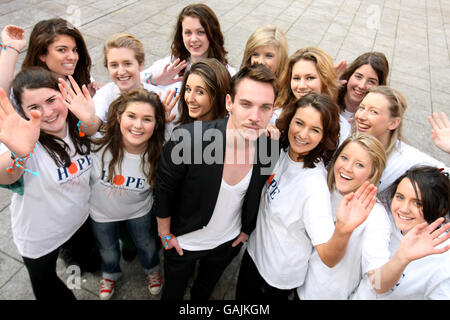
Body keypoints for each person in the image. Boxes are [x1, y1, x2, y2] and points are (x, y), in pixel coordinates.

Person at [154, 64, 279, 300]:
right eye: (246, 104)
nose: (255, 117)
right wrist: (164, 234)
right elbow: (164, 190)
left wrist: (245, 231)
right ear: (229, 102)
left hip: (227, 244)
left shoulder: (269, 146)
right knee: (173, 293)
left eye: (265, 107)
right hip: (184, 242)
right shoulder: (189, 140)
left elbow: (258, 191)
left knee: (203, 291)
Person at [235, 94, 378, 300]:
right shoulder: (282, 150)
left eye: (315, 129)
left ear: (324, 136)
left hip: (275, 277)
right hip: (254, 254)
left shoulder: (314, 186)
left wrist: (343, 230)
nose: (302, 134)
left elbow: (328, 257)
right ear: (290, 120)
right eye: (299, 123)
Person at [58, 81, 166, 299]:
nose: (138, 125)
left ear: (156, 124)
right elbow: (77, 133)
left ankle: (152, 270)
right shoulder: (99, 143)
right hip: (100, 215)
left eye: (147, 119)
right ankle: (111, 273)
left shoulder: (158, 153)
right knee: (107, 249)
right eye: (131, 116)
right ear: (118, 117)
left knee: (146, 245)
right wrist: (86, 119)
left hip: (140, 213)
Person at [0, 67, 93, 300]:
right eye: (34, 108)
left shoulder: (79, 126)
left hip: (78, 220)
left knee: (83, 260)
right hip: (40, 237)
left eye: (51, 100)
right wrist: (18, 154)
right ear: (22, 112)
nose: (47, 112)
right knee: (47, 287)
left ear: (63, 94)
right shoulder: (26, 143)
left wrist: (92, 119)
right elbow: (7, 174)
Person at [297, 133, 391, 299]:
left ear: (373, 173)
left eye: (359, 165)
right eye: (344, 158)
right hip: (299, 288)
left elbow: (377, 276)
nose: (347, 168)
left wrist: (402, 258)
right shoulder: (324, 187)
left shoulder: (375, 215)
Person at [352, 165, 450, 299]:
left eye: (417, 203)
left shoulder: (444, 259)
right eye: (400, 197)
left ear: (440, 210)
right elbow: (375, 283)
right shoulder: (385, 222)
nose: (404, 209)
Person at [141, 3, 235, 123]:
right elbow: (132, 81)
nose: (194, 39)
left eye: (201, 32)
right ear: (181, 35)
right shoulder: (171, 65)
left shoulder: (227, 73)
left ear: (212, 33)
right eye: (188, 33)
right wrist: (155, 81)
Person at [354, 85, 449, 192]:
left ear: (393, 123)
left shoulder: (406, 159)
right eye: (362, 108)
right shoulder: (347, 139)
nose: (361, 116)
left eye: (373, 112)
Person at [275, 47, 350, 143]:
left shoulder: (342, 128)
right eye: (296, 78)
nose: (301, 86)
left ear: (325, 80)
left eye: (310, 78)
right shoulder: (276, 116)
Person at [175, 58, 231, 126]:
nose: (190, 99)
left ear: (218, 95)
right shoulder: (181, 132)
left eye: (200, 92)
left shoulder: (230, 133)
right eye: (188, 89)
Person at [337, 52, 389, 121]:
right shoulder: (328, 97)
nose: (362, 86)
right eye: (358, 76)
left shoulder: (376, 120)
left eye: (371, 82)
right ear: (349, 75)